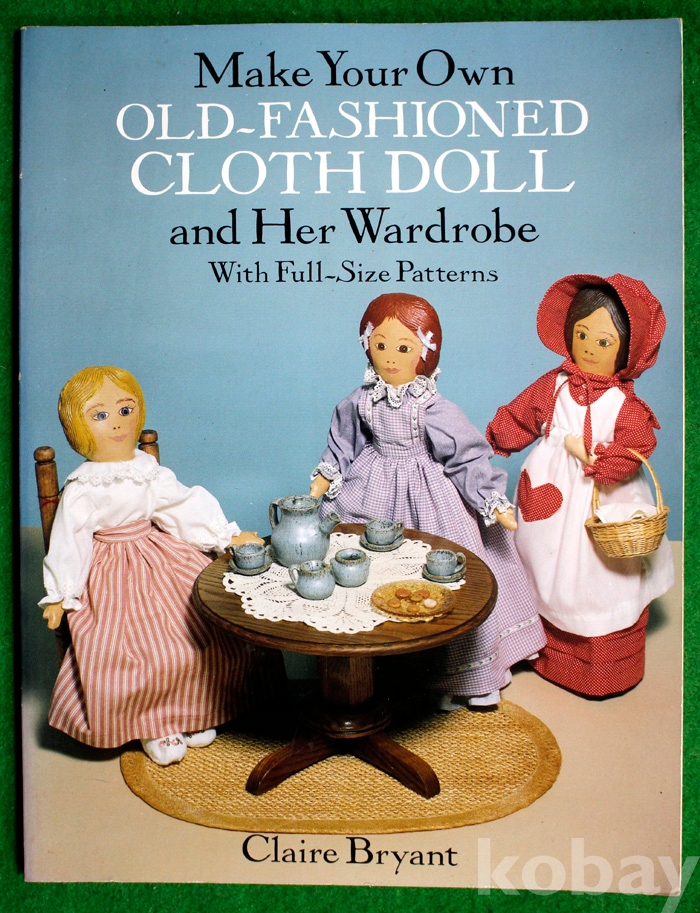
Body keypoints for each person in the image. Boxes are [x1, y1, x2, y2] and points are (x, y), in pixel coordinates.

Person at [310, 293, 545, 707]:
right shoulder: (361, 400)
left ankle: (471, 676)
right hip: (372, 488)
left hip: (427, 494)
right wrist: (327, 474)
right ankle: (388, 670)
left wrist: (491, 499)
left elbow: (465, 455)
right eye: (380, 345)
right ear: (366, 344)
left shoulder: (432, 407)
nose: (390, 357)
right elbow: (344, 443)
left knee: (447, 578)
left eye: (404, 348)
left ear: (426, 352)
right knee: (372, 573)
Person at [40, 366, 262, 765]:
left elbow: (179, 505)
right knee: (135, 651)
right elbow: (70, 540)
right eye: (100, 415)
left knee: (201, 626)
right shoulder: (82, 487)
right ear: (77, 427)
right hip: (111, 566)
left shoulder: (146, 469)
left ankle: (195, 711)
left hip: (160, 553)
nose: (117, 423)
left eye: (125, 410)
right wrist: (62, 593)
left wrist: (222, 536)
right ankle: (154, 724)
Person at [486, 274, 675, 697]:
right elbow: (520, 415)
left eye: (604, 341)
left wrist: (608, 461)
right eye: (582, 334)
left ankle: (599, 668)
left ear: (628, 351)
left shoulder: (623, 403)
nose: (589, 347)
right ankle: (534, 643)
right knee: (538, 558)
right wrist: (490, 444)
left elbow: (637, 442)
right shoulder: (554, 385)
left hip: (601, 498)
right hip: (548, 492)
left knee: (599, 576)